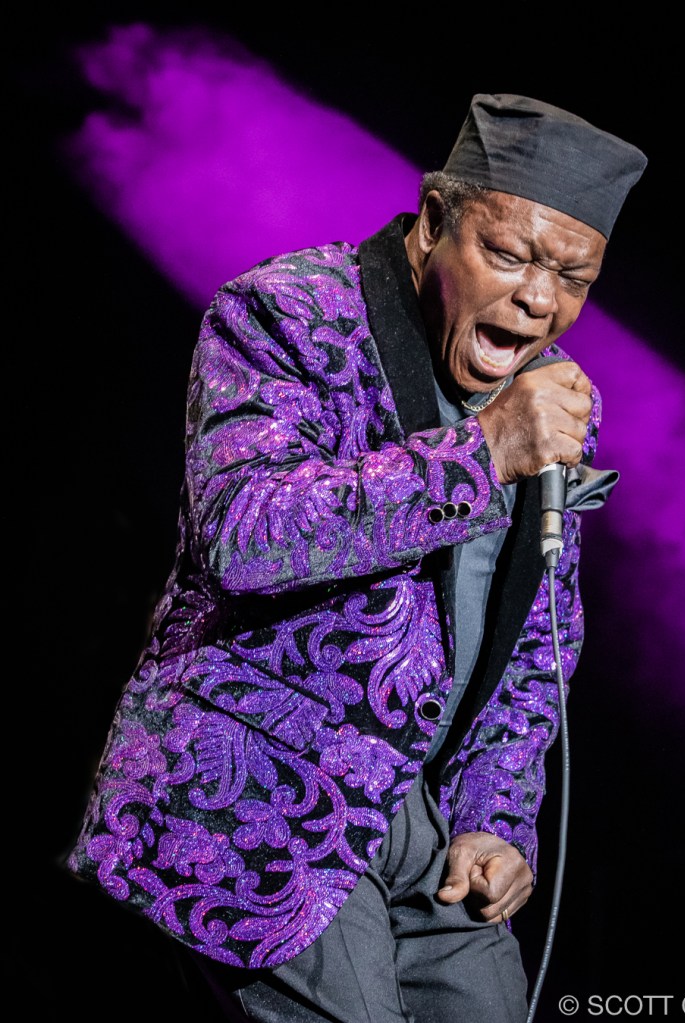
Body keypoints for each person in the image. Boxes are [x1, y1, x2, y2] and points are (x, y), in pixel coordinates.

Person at [67, 93, 646, 1022]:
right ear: (434, 220)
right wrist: (481, 452)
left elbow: (539, 637)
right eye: (507, 254)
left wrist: (496, 814)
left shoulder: (554, 400)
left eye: (572, 277)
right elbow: (242, 531)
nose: (539, 300)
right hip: (263, 795)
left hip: (423, 819)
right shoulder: (285, 314)